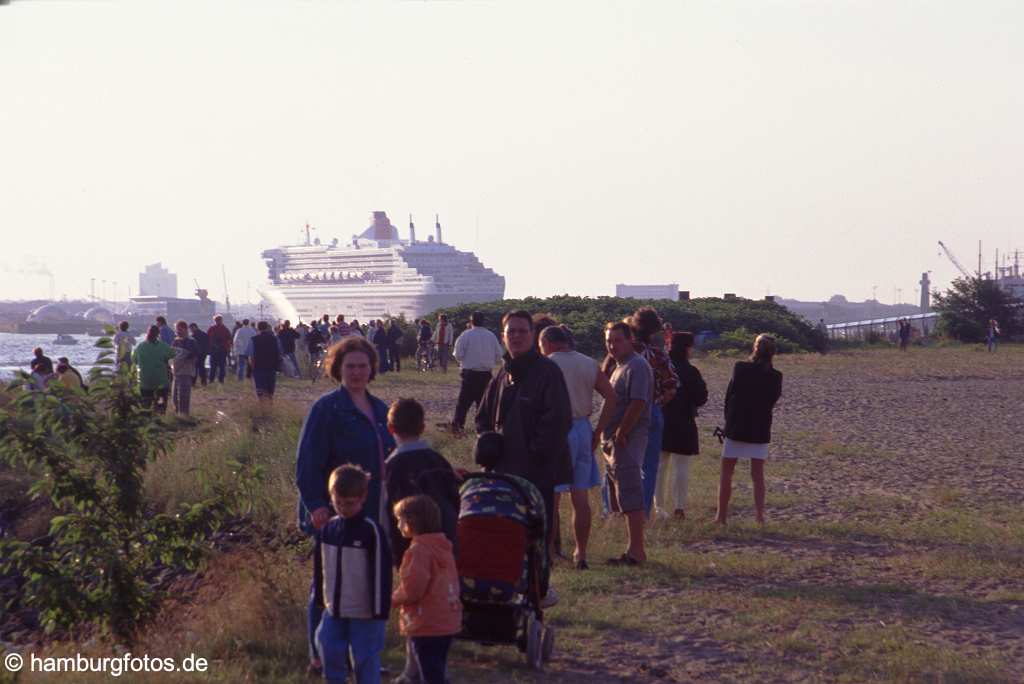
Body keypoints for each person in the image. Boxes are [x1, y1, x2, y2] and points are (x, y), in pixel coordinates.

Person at [295, 336, 396, 675]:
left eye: (362, 366)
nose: (356, 372)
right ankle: (320, 653)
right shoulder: (326, 409)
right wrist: (316, 505)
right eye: (349, 366)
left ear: (372, 369)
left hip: (373, 508)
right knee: (327, 580)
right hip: (335, 510)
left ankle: (364, 655)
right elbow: (307, 463)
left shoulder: (381, 409)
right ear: (337, 369)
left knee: (367, 579)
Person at [476, 310, 572, 601]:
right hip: (502, 473)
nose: (516, 336)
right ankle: (506, 590)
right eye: (510, 332)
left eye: (522, 331)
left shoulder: (547, 372)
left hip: (535, 473)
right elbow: (482, 417)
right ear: (503, 337)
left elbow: (558, 421)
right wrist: (488, 445)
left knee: (534, 535)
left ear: (533, 336)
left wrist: (534, 455)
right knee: (504, 533)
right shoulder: (502, 374)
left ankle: (538, 588)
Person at [383, 398, 460, 684]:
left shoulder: (392, 466)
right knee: (439, 602)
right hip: (445, 542)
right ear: (423, 426)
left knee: (415, 607)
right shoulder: (438, 461)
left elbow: (387, 510)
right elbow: (454, 500)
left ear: (390, 428)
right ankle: (424, 666)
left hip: (411, 547)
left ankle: (418, 669)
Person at [538, 324, 617, 570]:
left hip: (555, 430)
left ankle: (549, 552)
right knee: (580, 496)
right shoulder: (588, 363)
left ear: (548, 343)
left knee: (551, 495)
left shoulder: (546, 365)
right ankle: (580, 553)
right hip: (583, 429)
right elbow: (612, 397)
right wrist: (598, 431)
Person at [311, 464, 392, 684]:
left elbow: (381, 573)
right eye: (338, 503)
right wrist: (321, 599)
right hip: (334, 608)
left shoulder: (370, 531)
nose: (343, 508)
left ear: (363, 497)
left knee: (364, 658)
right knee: (326, 644)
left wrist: (378, 611)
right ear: (331, 497)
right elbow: (320, 568)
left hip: (365, 612)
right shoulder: (328, 530)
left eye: (349, 504)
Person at [391, 495, 461, 684]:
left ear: (411, 522)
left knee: (429, 671)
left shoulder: (418, 551)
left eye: (400, 520)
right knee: (436, 667)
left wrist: (392, 600)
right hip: (447, 619)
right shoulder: (444, 548)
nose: (398, 525)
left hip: (426, 622)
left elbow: (413, 589)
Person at [601, 321, 654, 565]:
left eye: (617, 340)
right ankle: (631, 549)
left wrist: (622, 432)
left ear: (629, 339)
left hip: (628, 439)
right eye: (609, 341)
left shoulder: (637, 365)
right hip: (614, 440)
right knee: (621, 493)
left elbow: (638, 402)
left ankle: (637, 551)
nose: (613, 345)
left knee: (631, 492)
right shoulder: (618, 366)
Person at [716, 333, 783, 525]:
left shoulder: (740, 368)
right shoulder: (776, 376)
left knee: (727, 472)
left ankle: (721, 516)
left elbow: (730, 396)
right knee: (757, 475)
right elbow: (771, 401)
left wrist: (728, 421)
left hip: (737, 424)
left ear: (755, 349)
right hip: (760, 427)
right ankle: (760, 517)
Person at [627, 308, 678, 518]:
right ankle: (644, 512)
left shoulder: (625, 351)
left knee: (621, 463)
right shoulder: (657, 354)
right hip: (652, 411)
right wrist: (657, 402)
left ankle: (615, 510)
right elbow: (672, 385)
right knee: (649, 466)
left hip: (626, 411)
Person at [655, 332, 707, 520]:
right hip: (684, 421)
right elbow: (701, 398)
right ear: (687, 347)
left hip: (661, 419)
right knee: (681, 466)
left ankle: (658, 508)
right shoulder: (690, 370)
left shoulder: (661, 367)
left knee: (660, 466)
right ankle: (679, 507)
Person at [446, 312, 503, 435]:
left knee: (463, 404)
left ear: (471, 321)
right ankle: (484, 430)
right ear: (484, 321)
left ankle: (458, 427)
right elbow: (499, 355)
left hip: (469, 374)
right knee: (484, 405)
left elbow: (458, 355)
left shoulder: (465, 335)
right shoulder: (491, 336)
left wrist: (467, 360)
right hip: (486, 374)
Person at [132, 325, 176, 413]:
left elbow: (134, 360)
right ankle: (160, 414)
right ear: (158, 334)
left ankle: (146, 418)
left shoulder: (140, 346)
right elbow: (172, 354)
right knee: (160, 404)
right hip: (161, 382)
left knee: (145, 405)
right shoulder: (163, 346)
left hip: (145, 381)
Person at [247, 321, 282, 400]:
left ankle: (263, 409)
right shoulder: (275, 339)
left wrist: (252, 369)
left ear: (257, 328)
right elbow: (279, 353)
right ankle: (270, 407)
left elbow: (251, 357)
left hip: (259, 368)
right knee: (270, 392)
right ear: (267, 328)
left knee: (260, 392)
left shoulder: (253, 340)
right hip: (271, 368)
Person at [170, 320, 198, 415]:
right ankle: (177, 413)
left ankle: (184, 414)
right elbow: (171, 354)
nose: (178, 332)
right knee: (174, 396)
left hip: (186, 371)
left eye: (180, 330)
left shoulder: (191, 342)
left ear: (185, 329)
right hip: (176, 372)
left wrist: (184, 359)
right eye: (177, 330)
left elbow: (194, 355)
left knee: (184, 395)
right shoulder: (176, 341)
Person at [206, 315, 232, 384]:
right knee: (221, 366)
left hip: (215, 350)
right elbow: (229, 340)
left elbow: (207, 339)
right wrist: (228, 349)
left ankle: (212, 380)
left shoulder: (211, 329)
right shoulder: (225, 329)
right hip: (222, 350)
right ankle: (220, 380)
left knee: (214, 366)